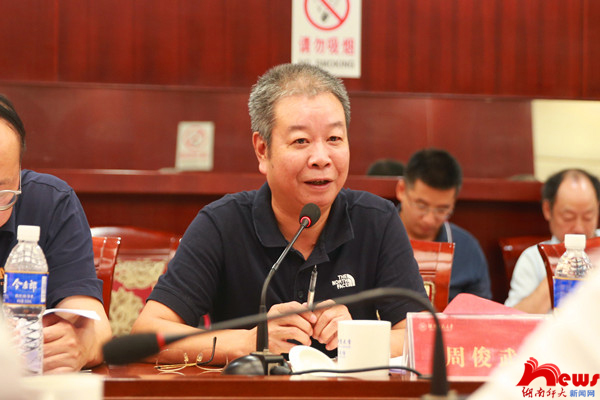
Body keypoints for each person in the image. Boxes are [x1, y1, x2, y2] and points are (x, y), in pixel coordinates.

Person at [132, 63, 428, 364]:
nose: (321, 158)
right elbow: (145, 337)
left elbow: (424, 338)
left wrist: (359, 336)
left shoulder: (377, 220)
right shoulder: (222, 224)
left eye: (334, 139)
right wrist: (249, 342)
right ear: (263, 150)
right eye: (301, 141)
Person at [0, 94, 111, 373]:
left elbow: (96, 327)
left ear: (18, 172)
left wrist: (80, 346)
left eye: (2, 192)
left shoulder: (50, 203)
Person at [395, 148, 492, 302]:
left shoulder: (467, 248)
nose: (429, 219)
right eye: (421, 206)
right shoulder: (375, 235)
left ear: (453, 203)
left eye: (442, 210)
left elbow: (480, 310)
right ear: (401, 190)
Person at [505, 169, 600, 313]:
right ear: (547, 210)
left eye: (588, 216)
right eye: (568, 217)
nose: (579, 228)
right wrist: (559, 275)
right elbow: (513, 317)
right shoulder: (533, 258)